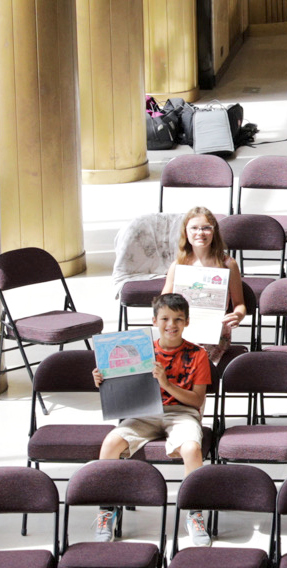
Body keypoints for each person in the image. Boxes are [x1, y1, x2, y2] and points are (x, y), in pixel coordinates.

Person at [93, 293, 211, 545]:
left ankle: (195, 513)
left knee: (191, 448)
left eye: (178, 319)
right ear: (154, 321)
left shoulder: (198, 354)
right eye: (165, 318)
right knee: (110, 444)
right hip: (144, 412)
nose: (172, 324)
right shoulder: (139, 350)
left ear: (187, 322)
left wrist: (166, 384)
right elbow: (122, 390)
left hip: (182, 414)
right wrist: (104, 381)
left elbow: (196, 401)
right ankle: (107, 510)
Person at [160, 206, 246, 365]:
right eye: (194, 228)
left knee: (194, 357)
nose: (200, 233)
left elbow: (240, 304)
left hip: (213, 332)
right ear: (186, 232)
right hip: (182, 329)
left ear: (214, 232)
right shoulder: (178, 265)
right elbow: (162, 303)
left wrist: (238, 316)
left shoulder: (228, 264)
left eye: (206, 228)